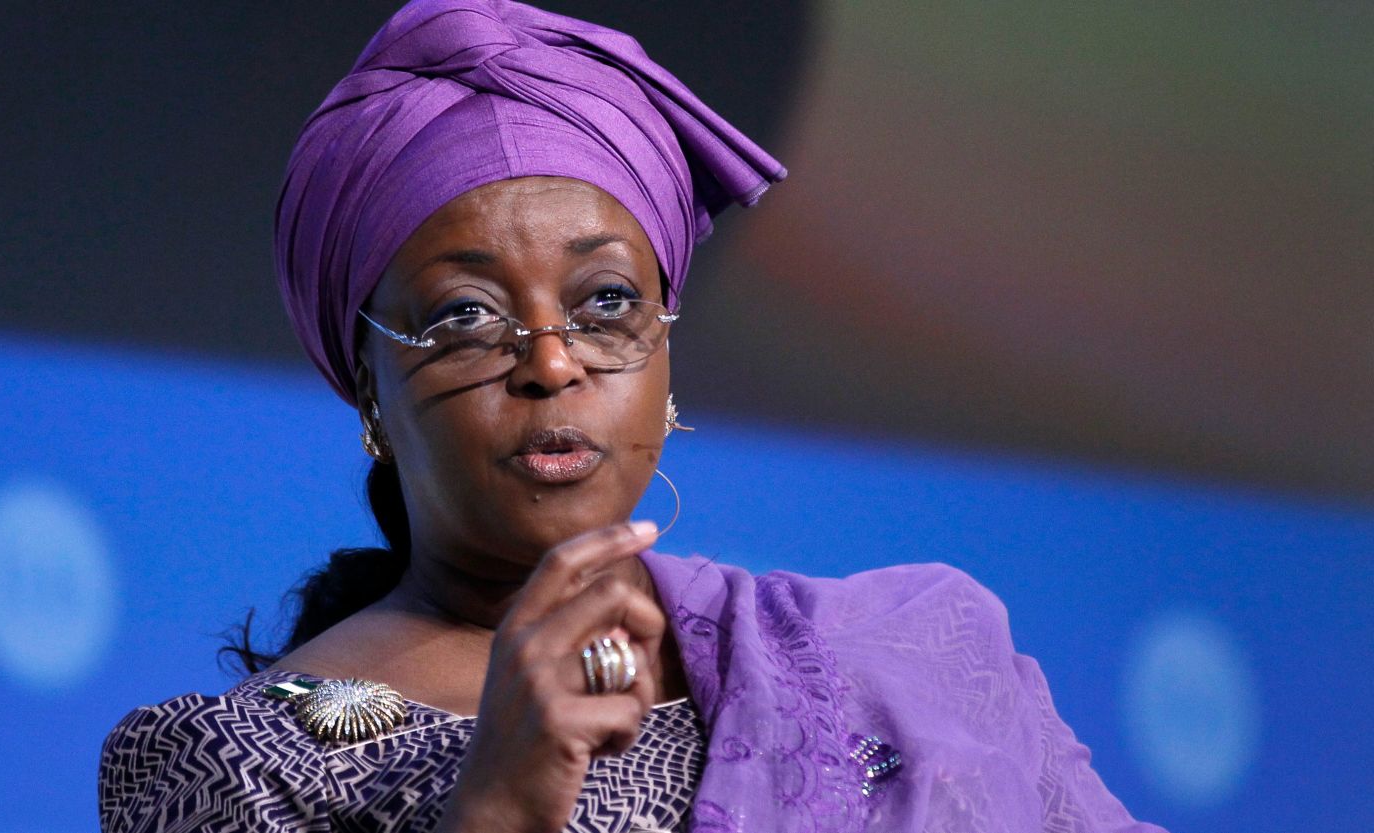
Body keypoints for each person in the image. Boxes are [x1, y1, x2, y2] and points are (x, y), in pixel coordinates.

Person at [99, 1, 1166, 831]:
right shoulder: (231, 763)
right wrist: (500, 802)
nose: (550, 362)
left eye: (605, 302)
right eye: (466, 316)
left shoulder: (913, 660)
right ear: (367, 383)